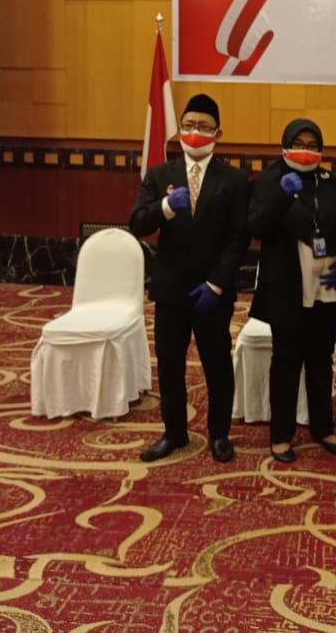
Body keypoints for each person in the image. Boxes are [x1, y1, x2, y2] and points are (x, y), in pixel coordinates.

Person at [132, 93, 250, 465]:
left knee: (217, 364)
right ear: (179, 129)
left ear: (218, 133)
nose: (194, 132)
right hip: (170, 288)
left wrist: (217, 283)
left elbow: (239, 237)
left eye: (203, 126)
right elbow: (137, 223)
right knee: (170, 364)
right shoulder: (159, 175)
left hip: (213, 290)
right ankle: (174, 432)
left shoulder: (235, 179)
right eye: (188, 125)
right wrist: (165, 207)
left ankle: (219, 434)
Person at [247, 118, 336, 463]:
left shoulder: (332, 182)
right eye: (299, 144)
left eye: (312, 146)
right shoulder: (269, 180)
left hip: (327, 285)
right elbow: (257, 227)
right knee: (286, 361)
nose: (306, 151)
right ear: (285, 145)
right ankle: (281, 435)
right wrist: (281, 196)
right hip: (289, 287)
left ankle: (323, 427)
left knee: (321, 358)